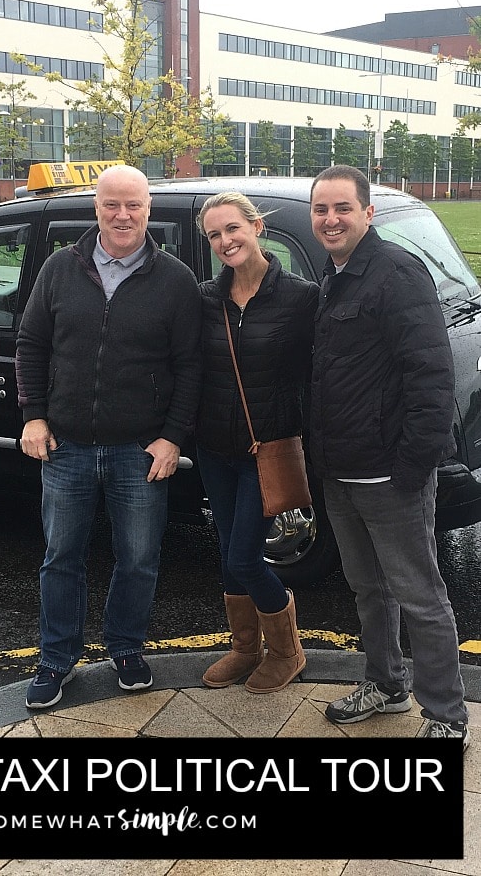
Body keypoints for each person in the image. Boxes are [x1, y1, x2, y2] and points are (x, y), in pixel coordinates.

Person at [15, 164, 202, 710]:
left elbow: (190, 367)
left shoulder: (175, 281)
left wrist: (172, 438)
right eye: (111, 205)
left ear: (149, 209)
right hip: (65, 447)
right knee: (60, 557)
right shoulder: (59, 269)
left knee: (139, 558)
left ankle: (126, 648)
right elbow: (30, 343)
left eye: (134, 205)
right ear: (95, 208)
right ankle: (56, 659)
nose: (123, 216)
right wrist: (33, 415)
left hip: (138, 452)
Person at [309, 164, 469, 746]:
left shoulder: (397, 274)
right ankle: (386, 683)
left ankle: (447, 715)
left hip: (390, 477)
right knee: (368, 589)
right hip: (342, 473)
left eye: (342, 209)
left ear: (366, 213)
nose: (331, 219)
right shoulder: (337, 276)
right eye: (321, 210)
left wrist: (412, 468)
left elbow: (431, 378)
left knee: (419, 596)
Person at [195, 192, 318, 693]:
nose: (225, 241)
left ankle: (288, 651)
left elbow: (316, 376)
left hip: (267, 451)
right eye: (215, 235)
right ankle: (246, 649)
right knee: (229, 552)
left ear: (257, 227)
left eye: (232, 229)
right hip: (213, 448)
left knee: (247, 557)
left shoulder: (301, 296)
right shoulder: (206, 297)